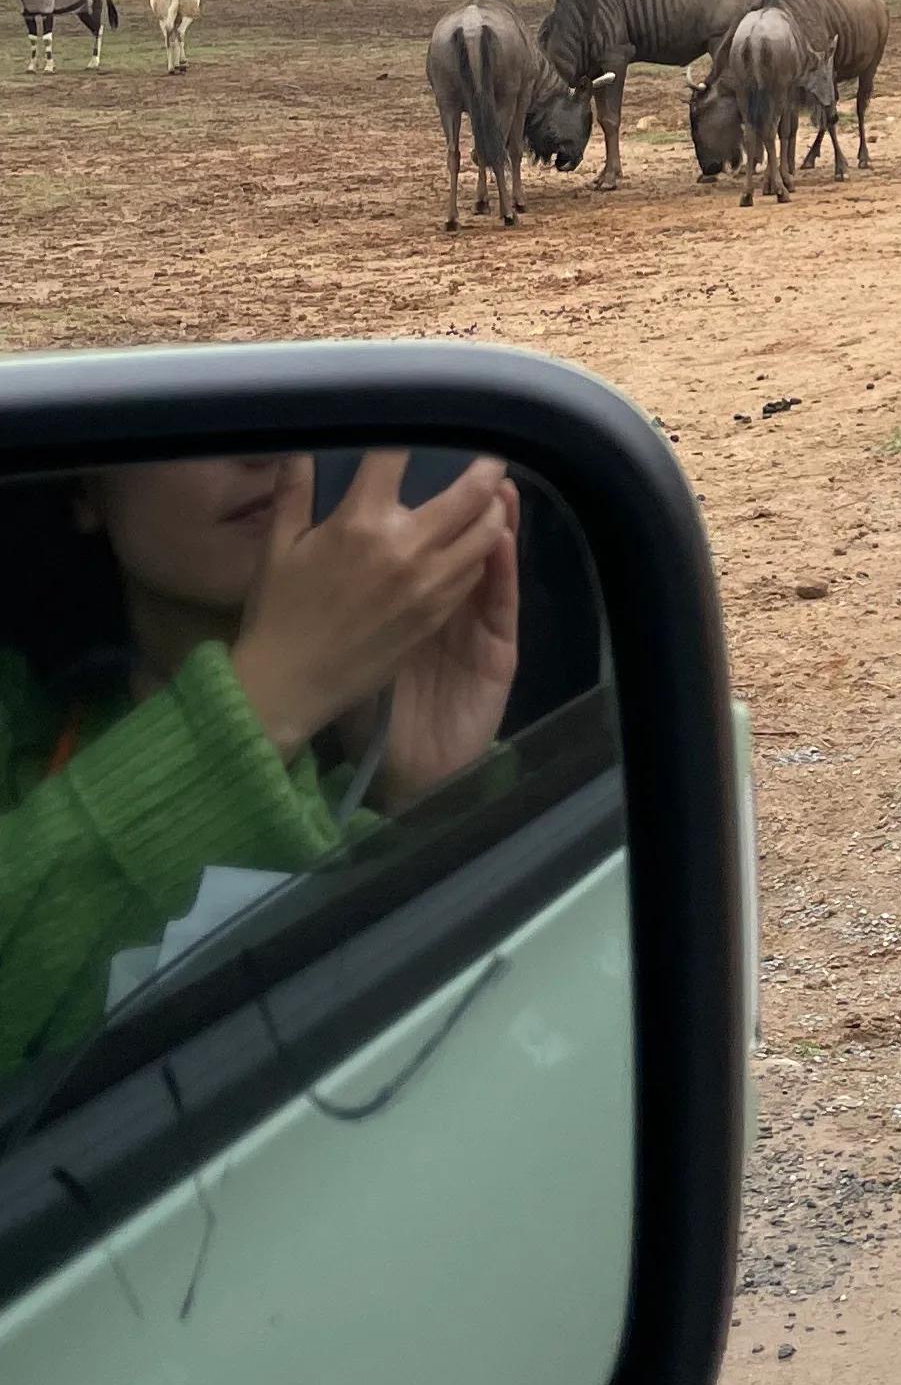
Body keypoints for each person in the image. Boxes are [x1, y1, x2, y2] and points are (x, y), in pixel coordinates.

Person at [0, 449, 519, 1072]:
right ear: (88, 488)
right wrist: (266, 701)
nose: (268, 448)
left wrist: (421, 798)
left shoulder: (381, 749)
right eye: (191, 402)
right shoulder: (17, 722)